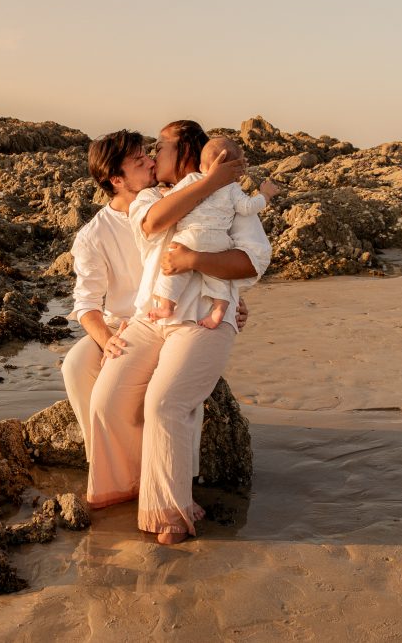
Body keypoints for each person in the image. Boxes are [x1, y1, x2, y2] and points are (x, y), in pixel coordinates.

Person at [82, 120, 271, 544]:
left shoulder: (231, 199)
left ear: (184, 149)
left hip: (204, 318)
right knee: (107, 400)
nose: (153, 155)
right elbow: (152, 224)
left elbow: (252, 262)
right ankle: (126, 489)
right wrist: (213, 179)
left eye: (160, 147)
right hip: (151, 318)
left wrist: (195, 260)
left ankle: (169, 511)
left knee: (164, 403)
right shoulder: (149, 196)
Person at [149, 137, 280, 328]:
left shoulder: (193, 180)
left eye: (159, 149)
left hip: (190, 235)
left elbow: (174, 198)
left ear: (201, 166)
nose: (154, 156)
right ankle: (219, 311)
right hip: (219, 239)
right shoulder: (233, 188)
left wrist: (165, 195)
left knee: (171, 268)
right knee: (219, 276)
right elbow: (248, 207)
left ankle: (167, 305)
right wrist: (265, 195)